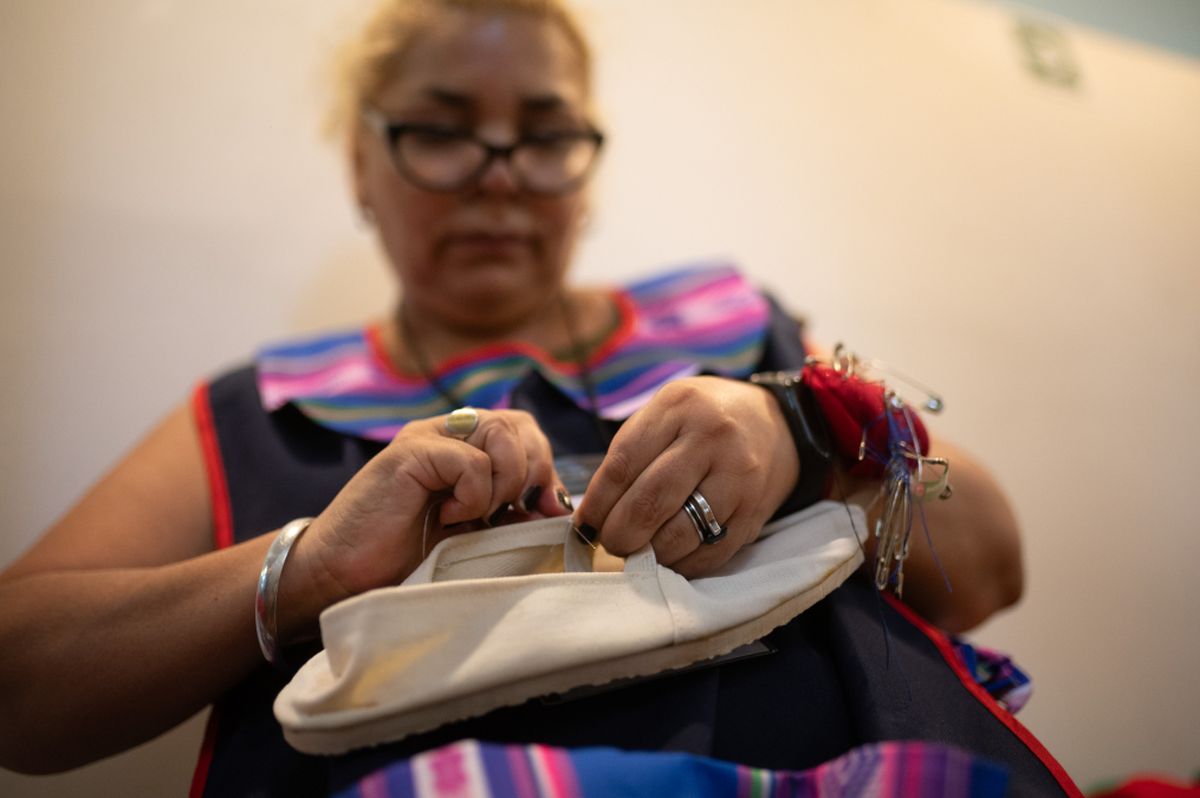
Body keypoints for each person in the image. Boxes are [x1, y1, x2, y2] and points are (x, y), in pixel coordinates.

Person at [0, 0, 1050, 795]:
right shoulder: (262, 407)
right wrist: (303, 568)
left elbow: (992, 566)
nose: (499, 176)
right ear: (361, 163)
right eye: (440, 129)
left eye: (545, 137)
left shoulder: (739, 328)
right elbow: (19, 683)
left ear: (585, 174)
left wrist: (810, 434)